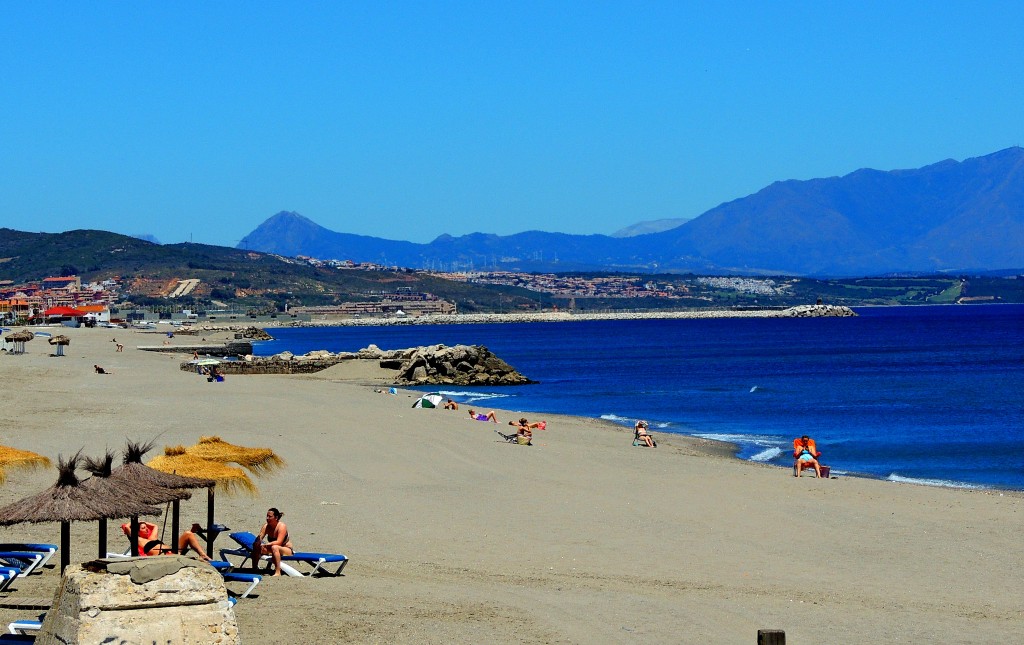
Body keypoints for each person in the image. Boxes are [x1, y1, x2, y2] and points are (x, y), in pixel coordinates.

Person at [122, 521, 212, 561]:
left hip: (172, 551)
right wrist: (137, 522)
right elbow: (126, 527)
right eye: (143, 528)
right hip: (163, 556)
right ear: (137, 531)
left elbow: (155, 526)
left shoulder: (152, 537)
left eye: (146, 527)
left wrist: (144, 522)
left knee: (188, 533)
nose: (146, 529)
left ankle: (203, 555)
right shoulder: (138, 540)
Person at [251, 507, 294, 576]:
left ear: (276, 518)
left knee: (275, 547)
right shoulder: (266, 526)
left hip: (286, 549)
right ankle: (254, 568)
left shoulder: (281, 526)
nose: (267, 518)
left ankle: (278, 571)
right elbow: (260, 537)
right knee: (256, 546)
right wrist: (258, 542)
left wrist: (267, 544)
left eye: (270, 516)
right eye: (267, 516)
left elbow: (279, 542)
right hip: (273, 549)